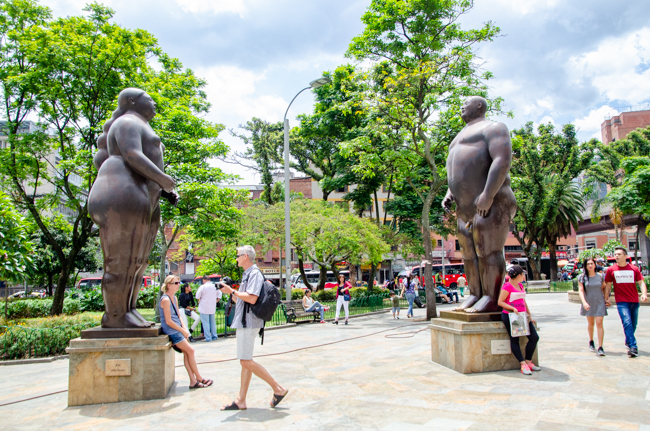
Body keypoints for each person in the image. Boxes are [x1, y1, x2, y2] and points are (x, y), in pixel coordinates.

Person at [442, 96, 517, 313]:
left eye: (465, 103)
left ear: (479, 105)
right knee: (468, 254)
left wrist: (488, 194)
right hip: (464, 208)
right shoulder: (457, 138)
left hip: (491, 201)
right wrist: (450, 192)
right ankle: (475, 294)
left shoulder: (494, 128)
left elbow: (502, 160)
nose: (461, 106)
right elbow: (455, 171)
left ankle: (491, 298)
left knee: (488, 251)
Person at [219, 245, 288, 410]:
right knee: (246, 361)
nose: (236, 258)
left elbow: (252, 298)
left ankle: (278, 388)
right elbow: (243, 301)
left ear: (245, 257)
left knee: (245, 361)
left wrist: (232, 291)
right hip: (245, 321)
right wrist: (229, 293)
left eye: (238, 255)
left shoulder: (254, 274)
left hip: (248, 323)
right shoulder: (247, 274)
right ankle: (241, 400)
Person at [160, 275, 212, 389]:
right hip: (172, 331)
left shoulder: (174, 298)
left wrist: (185, 329)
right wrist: (182, 330)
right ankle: (199, 378)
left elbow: (178, 316)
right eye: (176, 283)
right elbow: (168, 321)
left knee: (187, 353)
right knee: (190, 351)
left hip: (178, 329)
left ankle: (193, 381)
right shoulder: (165, 300)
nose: (179, 285)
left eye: (179, 283)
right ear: (169, 285)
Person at [604, 247, 648, 358]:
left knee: (633, 324)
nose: (616, 256)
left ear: (625, 256)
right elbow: (608, 286)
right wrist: (606, 298)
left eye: (619, 254)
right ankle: (633, 347)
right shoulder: (611, 270)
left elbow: (641, 283)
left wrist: (644, 294)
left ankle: (628, 340)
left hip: (634, 301)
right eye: (615, 254)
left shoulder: (634, 269)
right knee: (627, 322)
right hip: (621, 302)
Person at [497, 265, 540, 375]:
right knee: (515, 339)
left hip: (522, 316)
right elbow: (500, 302)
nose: (524, 276)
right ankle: (522, 364)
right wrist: (512, 308)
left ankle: (528, 361)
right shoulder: (507, 286)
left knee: (534, 337)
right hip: (511, 316)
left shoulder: (520, 286)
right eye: (523, 274)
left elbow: (523, 301)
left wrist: (529, 315)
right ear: (519, 275)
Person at [578, 257, 607, 356]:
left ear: (595, 265)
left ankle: (600, 346)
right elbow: (581, 290)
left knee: (599, 323)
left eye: (592, 263)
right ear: (585, 266)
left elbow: (604, 287)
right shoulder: (582, 277)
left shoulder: (601, 276)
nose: (590, 265)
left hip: (599, 301)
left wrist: (606, 299)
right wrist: (584, 302)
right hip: (588, 302)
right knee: (591, 323)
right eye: (588, 264)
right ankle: (591, 340)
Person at [196, 275, 218, 342]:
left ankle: (208, 338)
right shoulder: (214, 286)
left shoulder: (203, 287)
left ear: (203, 280)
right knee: (212, 323)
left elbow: (197, 296)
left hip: (204, 307)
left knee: (205, 323)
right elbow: (219, 294)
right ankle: (214, 336)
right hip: (212, 307)